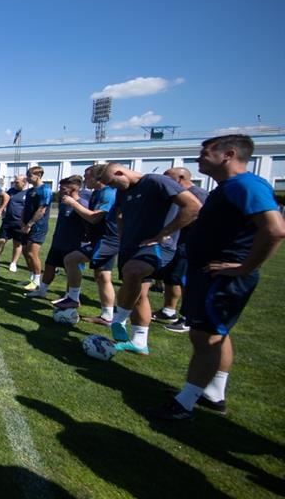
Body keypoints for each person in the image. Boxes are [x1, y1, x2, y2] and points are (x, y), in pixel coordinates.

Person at [147, 135, 285, 421]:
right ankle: (213, 393)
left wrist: (244, 267)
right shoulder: (228, 187)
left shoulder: (247, 185)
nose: (199, 158)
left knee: (205, 336)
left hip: (221, 277)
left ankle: (184, 404)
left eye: (205, 152)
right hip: (208, 273)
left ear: (228, 154)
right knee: (216, 333)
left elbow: (275, 229)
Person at [96, 161, 202, 355]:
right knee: (138, 293)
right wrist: (122, 234)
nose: (111, 187)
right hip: (130, 247)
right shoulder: (123, 191)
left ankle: (118, 319)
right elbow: (119, 214)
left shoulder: (156, 181)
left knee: (133, 272)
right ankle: (139, 342)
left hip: (156, 246)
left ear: (119, 172)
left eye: (111, 182)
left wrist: (164, 234)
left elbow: (193, 206)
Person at [52, 165, 119, 323]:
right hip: (99, 239)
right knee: (102, 276)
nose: (84, 179)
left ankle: (73, 298)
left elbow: (95, 217)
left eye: (87, 176)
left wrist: (74, 203)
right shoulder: (97, 193)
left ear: (98, 177)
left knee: (71, 259)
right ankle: (107, 315)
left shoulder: (109, 193)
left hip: (107, 240)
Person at [153, 167, 209, 332]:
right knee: (172, 277)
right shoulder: (175, 194)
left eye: (168, 178)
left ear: (181, 178)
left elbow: (198, 216)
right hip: (176, 243)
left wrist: (172, 227)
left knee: (185, 280)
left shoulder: (197, 194)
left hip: (190, 244)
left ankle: (188, 317)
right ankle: (168, 311)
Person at [25, 175, 89, 298]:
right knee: (49, 266)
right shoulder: (63, 203)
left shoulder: (82, 203)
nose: (59, 191)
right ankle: (42, 291)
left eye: (63, 189)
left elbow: (88, 224)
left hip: (74, 244)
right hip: (58, 241)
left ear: (73, 189)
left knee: (71, 271)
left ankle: (70, 297)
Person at [21, 167, 53, 291]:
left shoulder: (45, 190)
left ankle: (37, 281)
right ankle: (32, 277)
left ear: (38, 175)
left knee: (32, 253)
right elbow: (25, 208)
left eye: (29, 175)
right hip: (25, 225)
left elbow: (41, 210)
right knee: (25, 251)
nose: (27, 178)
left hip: (38, 227)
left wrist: (29, 224)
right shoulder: (30, 191)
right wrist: (22, 222)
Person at [0, 174, 27, 272]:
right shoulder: (11, 191)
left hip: (20, 223)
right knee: (1, 241)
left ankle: (13, 263)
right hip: (7, 222)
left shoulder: (28, 193)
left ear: (24, 182)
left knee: (17, 244)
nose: (15, 183)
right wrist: (2, 211)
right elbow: (3, 201)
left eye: (17, 182)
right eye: (14, 182)